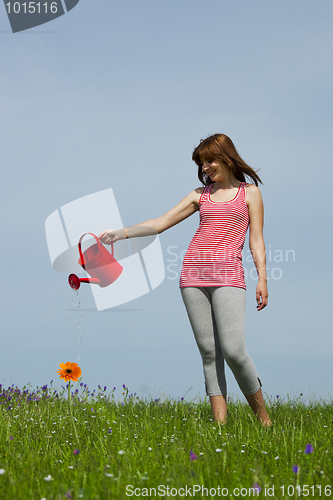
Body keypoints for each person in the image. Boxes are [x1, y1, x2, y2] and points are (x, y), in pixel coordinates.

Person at [99, 133, 271, 426]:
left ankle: (264, 420)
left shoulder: (250, 193)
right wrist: (121, 232)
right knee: (209, 352)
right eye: (202, 163)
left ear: (227, 158)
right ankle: (220, 424)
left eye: (210, 160)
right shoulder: (198, 195)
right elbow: (160, 223)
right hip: (192, 275)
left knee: (233, 350)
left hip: (229, 274)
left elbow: (256, 240)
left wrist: (262, 278)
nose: (206, 167)